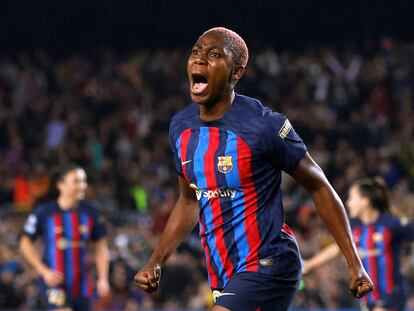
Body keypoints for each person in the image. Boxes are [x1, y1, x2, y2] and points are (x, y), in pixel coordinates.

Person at [134, 27, 373, 311]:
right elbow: (188, 201)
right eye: (196, 52)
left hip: (269, 261)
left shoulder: (264, 126)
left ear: (236, 72)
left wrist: (354, 262)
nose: (199, 60)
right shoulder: (180, 128)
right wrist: (156, 261)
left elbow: (319, 186)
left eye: (213, 55)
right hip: (223, 269)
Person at [303, 177, 414, 311]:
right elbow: (337, 249)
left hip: (391, 296)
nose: (348, 203)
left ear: (365, 202)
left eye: (351, 198)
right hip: (368, 300)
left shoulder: (391, 224)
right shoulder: (354, 227)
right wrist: (309, 265)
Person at [20, 164, 110, 311]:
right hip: (54, 285)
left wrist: (103, 278)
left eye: (84, 181)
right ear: (61, 185)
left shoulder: (91, 212)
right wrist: (43, 271)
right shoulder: (44, 212)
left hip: (82, 285)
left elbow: (101, 248)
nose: (82, 186)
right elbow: (25, 243)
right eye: (76, 181)